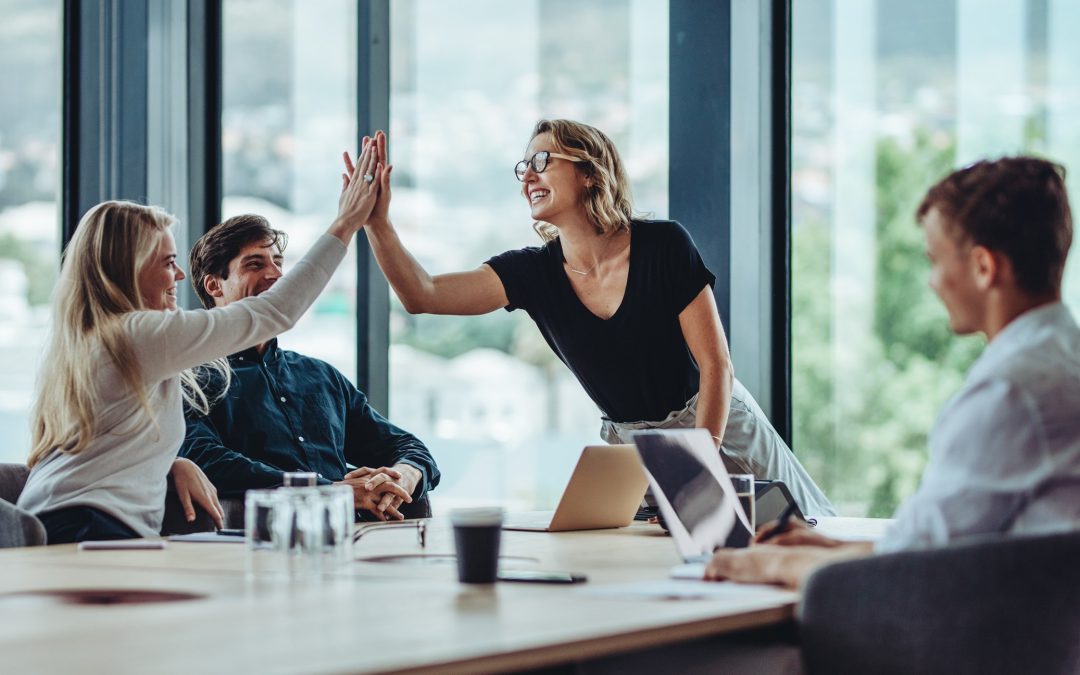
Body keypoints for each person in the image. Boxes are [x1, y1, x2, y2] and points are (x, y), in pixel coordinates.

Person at [346, 120, 835, 517]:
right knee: (667, 567)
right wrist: (378, 223)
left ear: (588, 172)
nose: (528, 176)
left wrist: (698, 461)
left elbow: (716, 366)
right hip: (633, 447)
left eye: (543, 161)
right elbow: (421, 294)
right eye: (524, 166)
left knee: (806, 534)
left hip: (717, 421)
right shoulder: (531, 272)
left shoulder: (664, 244)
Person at [705, 156, 1080, 588]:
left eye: (936, 261)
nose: (932, 282)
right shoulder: (1060, 360)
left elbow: (912, 570)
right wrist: (825, 547)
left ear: (983, 267)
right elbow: (935, 544)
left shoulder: (1011, 391)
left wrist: (766, 565)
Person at [16, 139, 384, 543]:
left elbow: (107, 443)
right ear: (127, 268)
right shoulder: (134, 335)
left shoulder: (96, 339)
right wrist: (345, 224)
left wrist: (172, 463)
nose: (179, 277)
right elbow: (275, 312)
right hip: (85, 527)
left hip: (61, 520)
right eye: (167, 262)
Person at [180, 214, 440, 521]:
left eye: (278, 262)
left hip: (356, 542)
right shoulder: (191, 379)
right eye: (255, 264)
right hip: (259, 544)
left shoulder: (320, 376)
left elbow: (406, 445)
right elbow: (205, 459)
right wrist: (329, 490)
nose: (276, 274)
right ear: (214, 285)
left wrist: (404, 475)